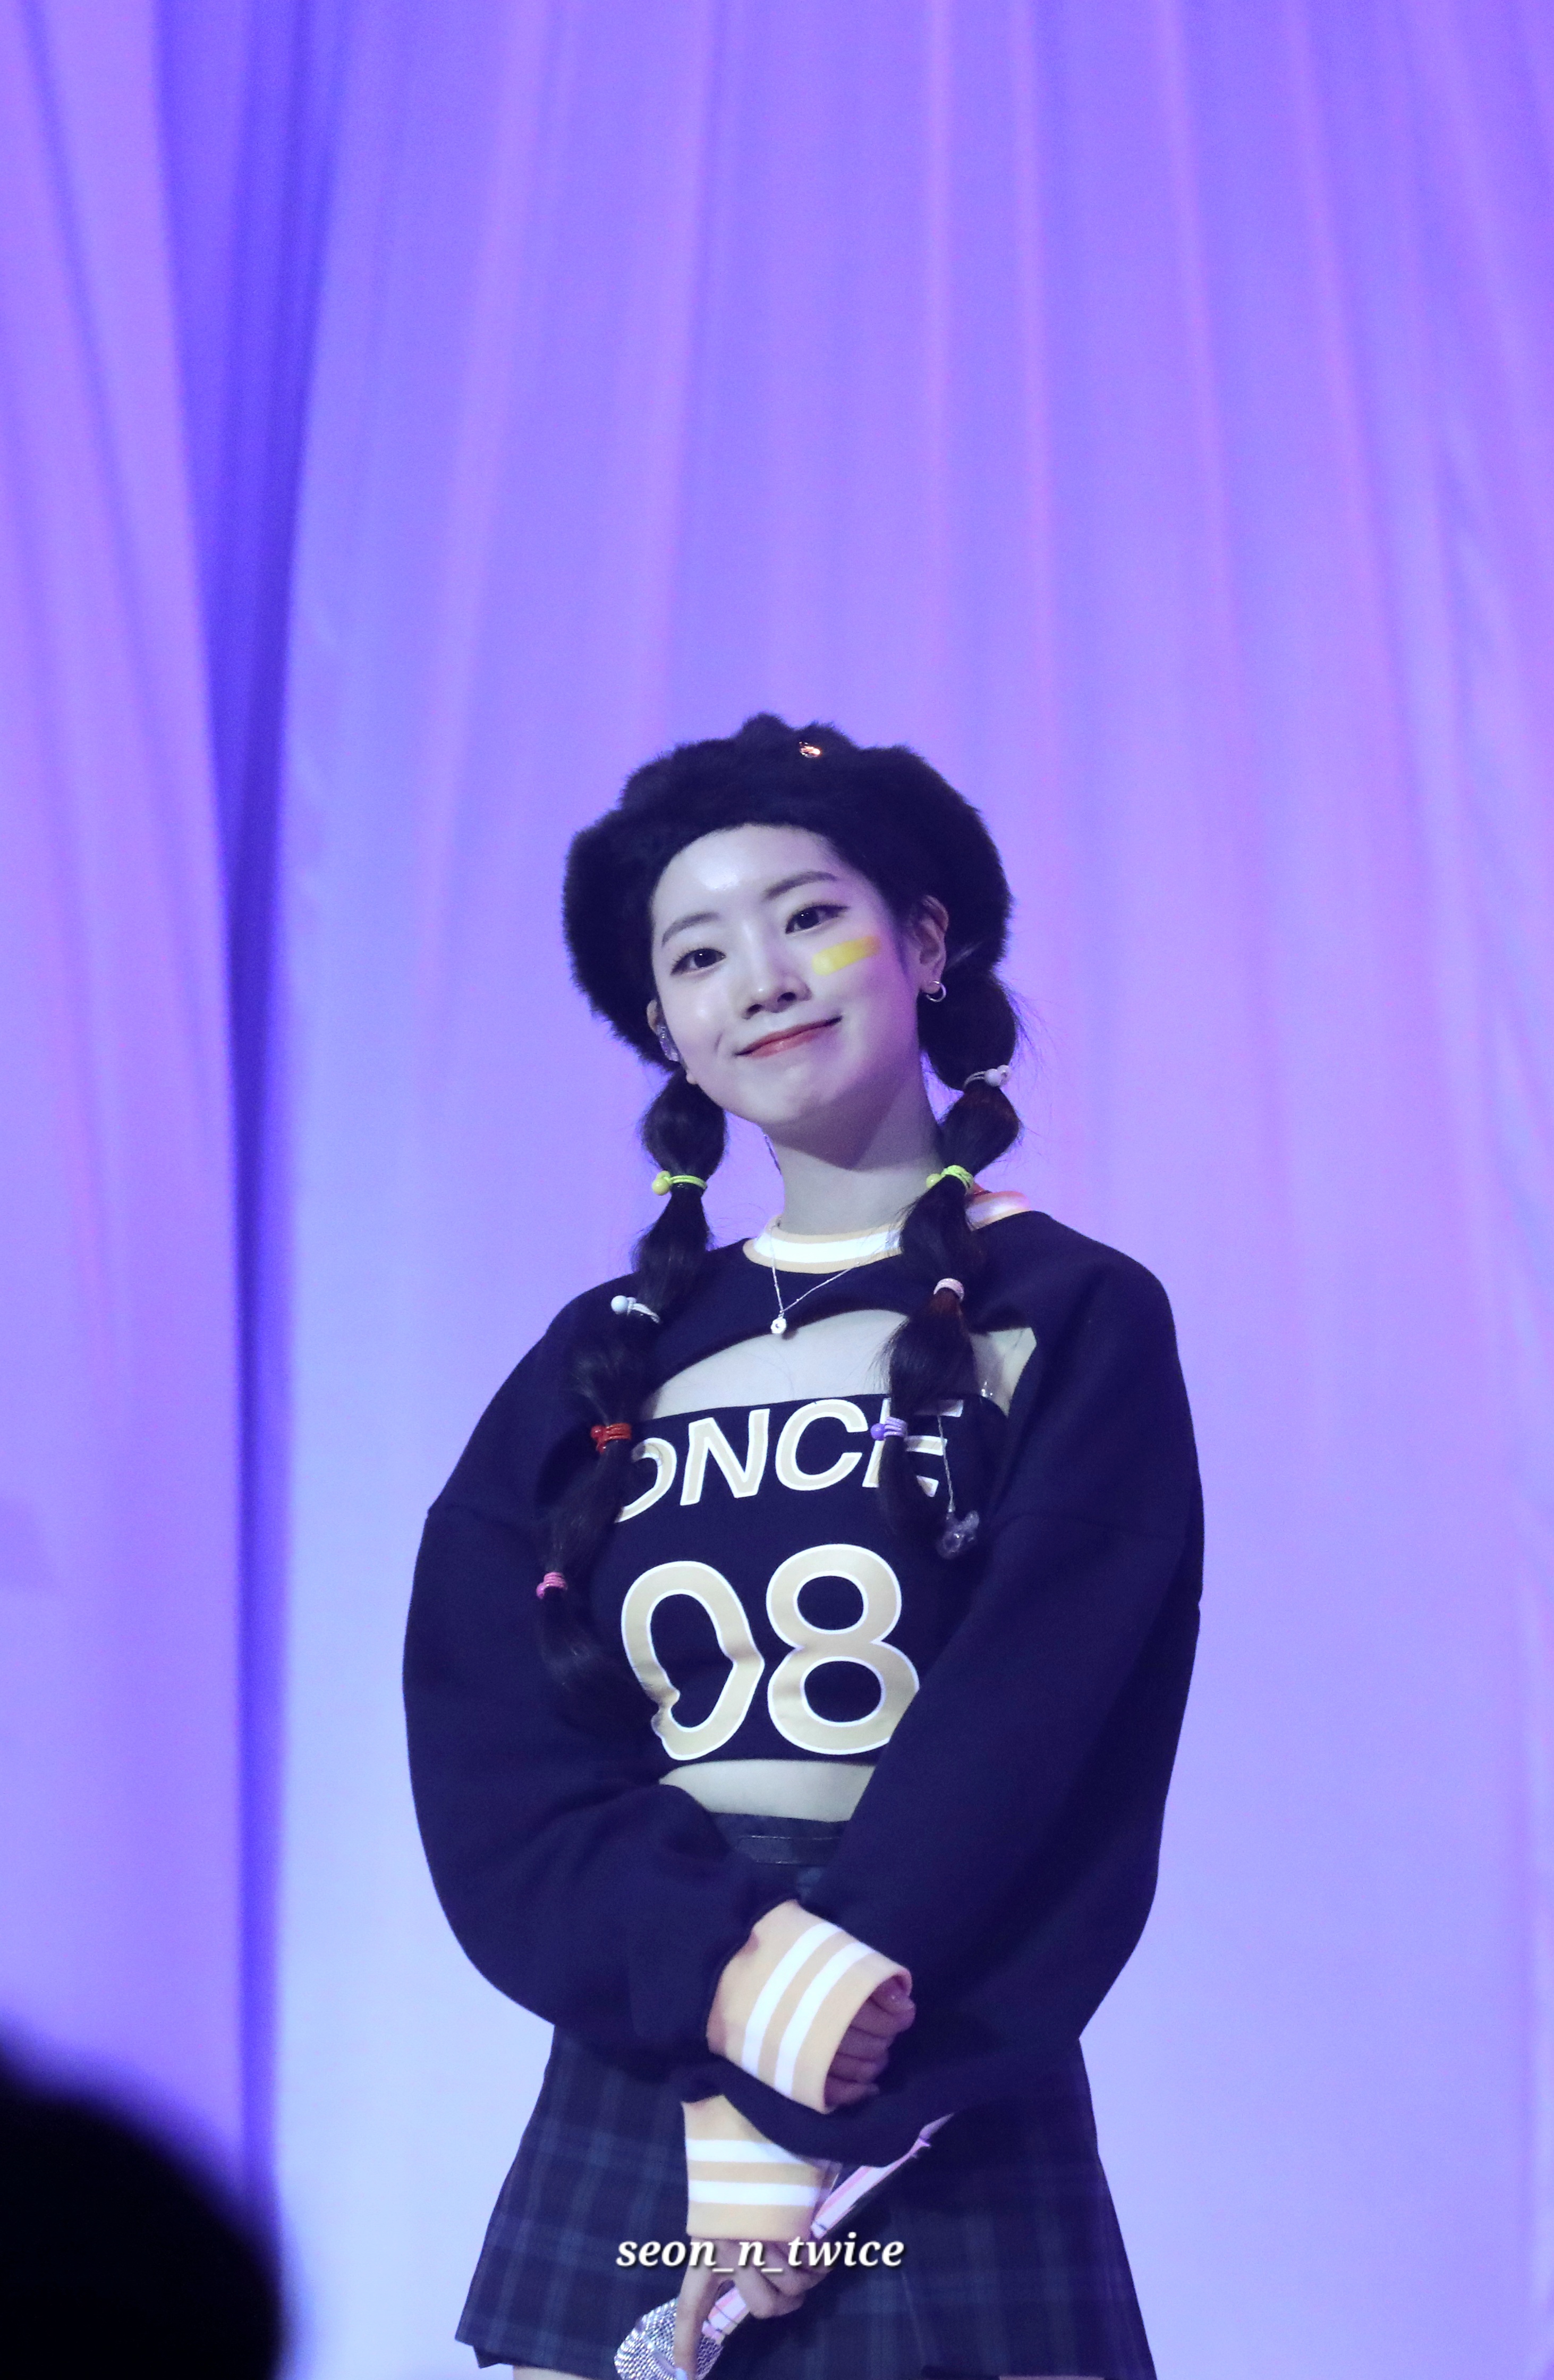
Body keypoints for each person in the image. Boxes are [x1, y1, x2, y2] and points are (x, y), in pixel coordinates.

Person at [404, 713, 1201, 2380]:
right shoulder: (594, 1361)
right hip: (651, 2037)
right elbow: (493, 1747)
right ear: (666, 1033)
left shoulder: (1076, 1312)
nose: (760, 978)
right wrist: (724, 1985)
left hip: (925, 2055)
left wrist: (814, 2062)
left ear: (926, 941)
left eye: (809, 916)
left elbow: (1039, 1728)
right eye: (698, 955)